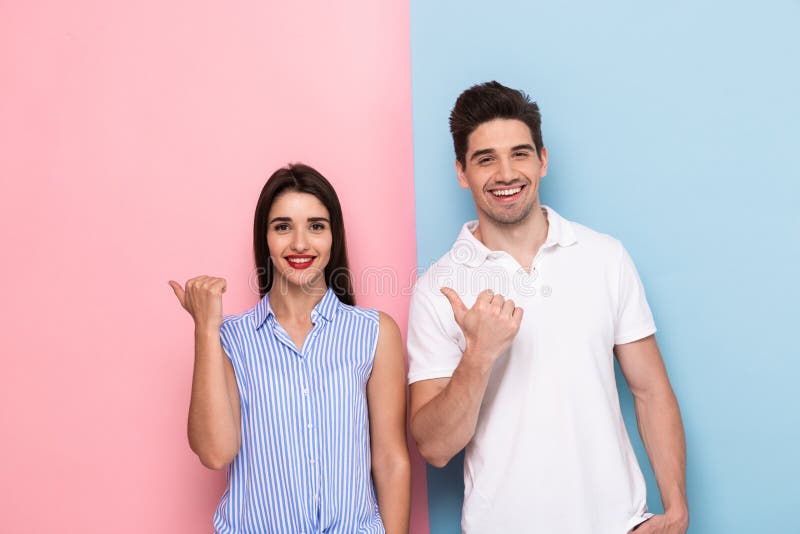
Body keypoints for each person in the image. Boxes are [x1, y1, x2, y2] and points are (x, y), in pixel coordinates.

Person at [407, 81, 688, 534]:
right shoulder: (438, 289)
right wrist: (478, 354)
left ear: (542, 160)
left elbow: (650, 391)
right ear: (461, 172)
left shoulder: (604, 256)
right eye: (485, 159)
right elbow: (435, 448)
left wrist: (675, 509)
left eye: (519, 153)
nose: (505, 173)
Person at [169, 163, 410, 533]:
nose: (300, 243)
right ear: (264, 237)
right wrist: (205, 328)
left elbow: (391, 459)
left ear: (334, 236)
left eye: (316, 226)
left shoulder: (374, 333)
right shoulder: (231, 338)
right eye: (283, 226)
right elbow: (215, 453)